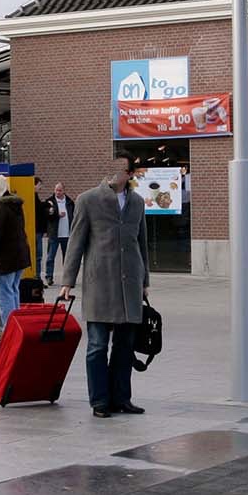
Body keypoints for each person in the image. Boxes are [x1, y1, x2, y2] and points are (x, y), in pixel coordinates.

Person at [58, 151, 149, 419]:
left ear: (130, 174)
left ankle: (122, 398)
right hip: (100, 284)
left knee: (124, 346)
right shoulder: (89, 200)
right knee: (97, 346)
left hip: (130, 285)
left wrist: (145, 281)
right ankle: (99, 401)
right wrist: (67, 281)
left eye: (122, 170)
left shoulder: (138, 203)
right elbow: (75, 242)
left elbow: (141, 243)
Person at [0, 175, 31, 329]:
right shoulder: (15, 206)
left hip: (4, 259)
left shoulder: (0, 208)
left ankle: (10, 329)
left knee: (3, 296)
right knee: (13, 291)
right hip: (19, 256)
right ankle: (18, 327)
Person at [43, 182, 74, 285]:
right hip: (54, 234)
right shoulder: (49, 201)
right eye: (56, 190)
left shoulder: (69, 202)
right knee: (51, 257)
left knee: (68, 258)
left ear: (64, 191)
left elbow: (74, 216)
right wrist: (57, 214)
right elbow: (46, 215)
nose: (57, 192)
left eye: (60, 190)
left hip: (67, 234)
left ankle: (67, 278)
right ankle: (49, 277)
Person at [33, 176, 52, 284]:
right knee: (38, 255)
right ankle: (37, 277)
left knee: (38, 256)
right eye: (39, 185)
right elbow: (38, 208)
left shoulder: (34, 196)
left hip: (38, 230)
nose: (40, 188)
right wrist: (47, 205)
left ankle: (37, 276)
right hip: (37, 230)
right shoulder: (33, 196)